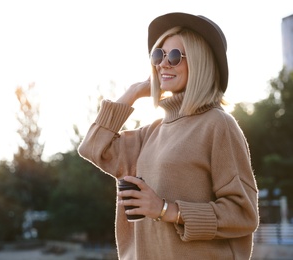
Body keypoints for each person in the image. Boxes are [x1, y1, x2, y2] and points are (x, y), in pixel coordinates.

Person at [78, 12, 259, 259]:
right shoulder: (151, 132)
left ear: (199, 63)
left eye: (174, 56)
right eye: (158, 55)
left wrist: (166, 210)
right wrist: (132, 92)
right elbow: (93, 148)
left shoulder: (218, 125)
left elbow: (242, 214)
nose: (162, 63)